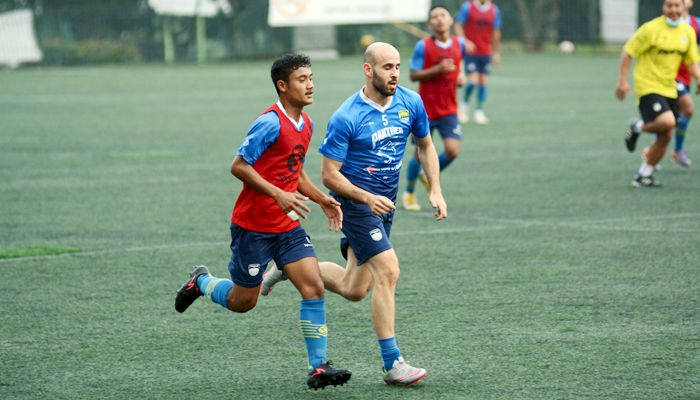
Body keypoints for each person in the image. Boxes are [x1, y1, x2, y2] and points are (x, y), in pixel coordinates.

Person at [262, 42, 447, 386]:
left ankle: (291, 267)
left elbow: (425, 145)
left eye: (397, 67)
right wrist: (365, 197)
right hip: (357, 205)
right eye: (386, 67)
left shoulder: (410, 102)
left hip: (384, 205)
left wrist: (434, 188)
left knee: (353, 288)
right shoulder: (347, 116)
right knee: (389, 272)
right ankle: (393, 363)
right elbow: (329, 174)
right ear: (367, 69)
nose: (394, 74)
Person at [173, 53, 351, 390]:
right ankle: (202, 282)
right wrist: (278, 194)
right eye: (302, 79)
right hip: (252, 227)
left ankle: (318, 367)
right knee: (244, 302)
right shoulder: (269, 122)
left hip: (286, 227)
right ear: (283, 86)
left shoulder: (307, 123)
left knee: (312, 286)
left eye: (311, 77)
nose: (310, 84)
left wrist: (321, 197)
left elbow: (293, 170)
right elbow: (239, 166)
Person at [617, 0, 700, 187]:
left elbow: (691, 60)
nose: (673, 10)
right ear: (663, 7)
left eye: (677, 6)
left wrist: (698, 77)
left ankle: (643, 175)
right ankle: (637, 126)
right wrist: (622, 81)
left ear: (684, 7)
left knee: (666, 135)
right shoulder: (650, 29)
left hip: (669, 87)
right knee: (668, 121)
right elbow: (628, 52)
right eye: (669, 6)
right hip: (648, 85)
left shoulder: (687, 32)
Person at [401, 5, 470, 211]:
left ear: (450, 21)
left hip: (449, 109)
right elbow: (413, 75)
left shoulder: (460, 44)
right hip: (425, 110)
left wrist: (461, 75)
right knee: (418, 154)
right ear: (430, 24)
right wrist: (438, 69)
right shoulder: (423, 46)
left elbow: (461, 63)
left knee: (452, 150)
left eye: (443, 16)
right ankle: (409, 193)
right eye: (434, 17)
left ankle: (426, 173)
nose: (439, 19)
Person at [454, 0, 502, 125]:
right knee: (473, 81)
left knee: (483, 82)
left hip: (485, 52)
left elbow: (496, 32)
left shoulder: (494, 10)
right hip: (471, 52)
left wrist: (496, 52)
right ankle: (463, 106)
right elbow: (458, 25)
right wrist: (465, 41)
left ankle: (479, 111)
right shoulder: (468, 7)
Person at [671, 0, 700, 167]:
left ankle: (664, 149)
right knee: (687, 109)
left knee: (670, 115)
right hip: (667, 76)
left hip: (686, 76)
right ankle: (676, 149)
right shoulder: (664, 25)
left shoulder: (696, 24)